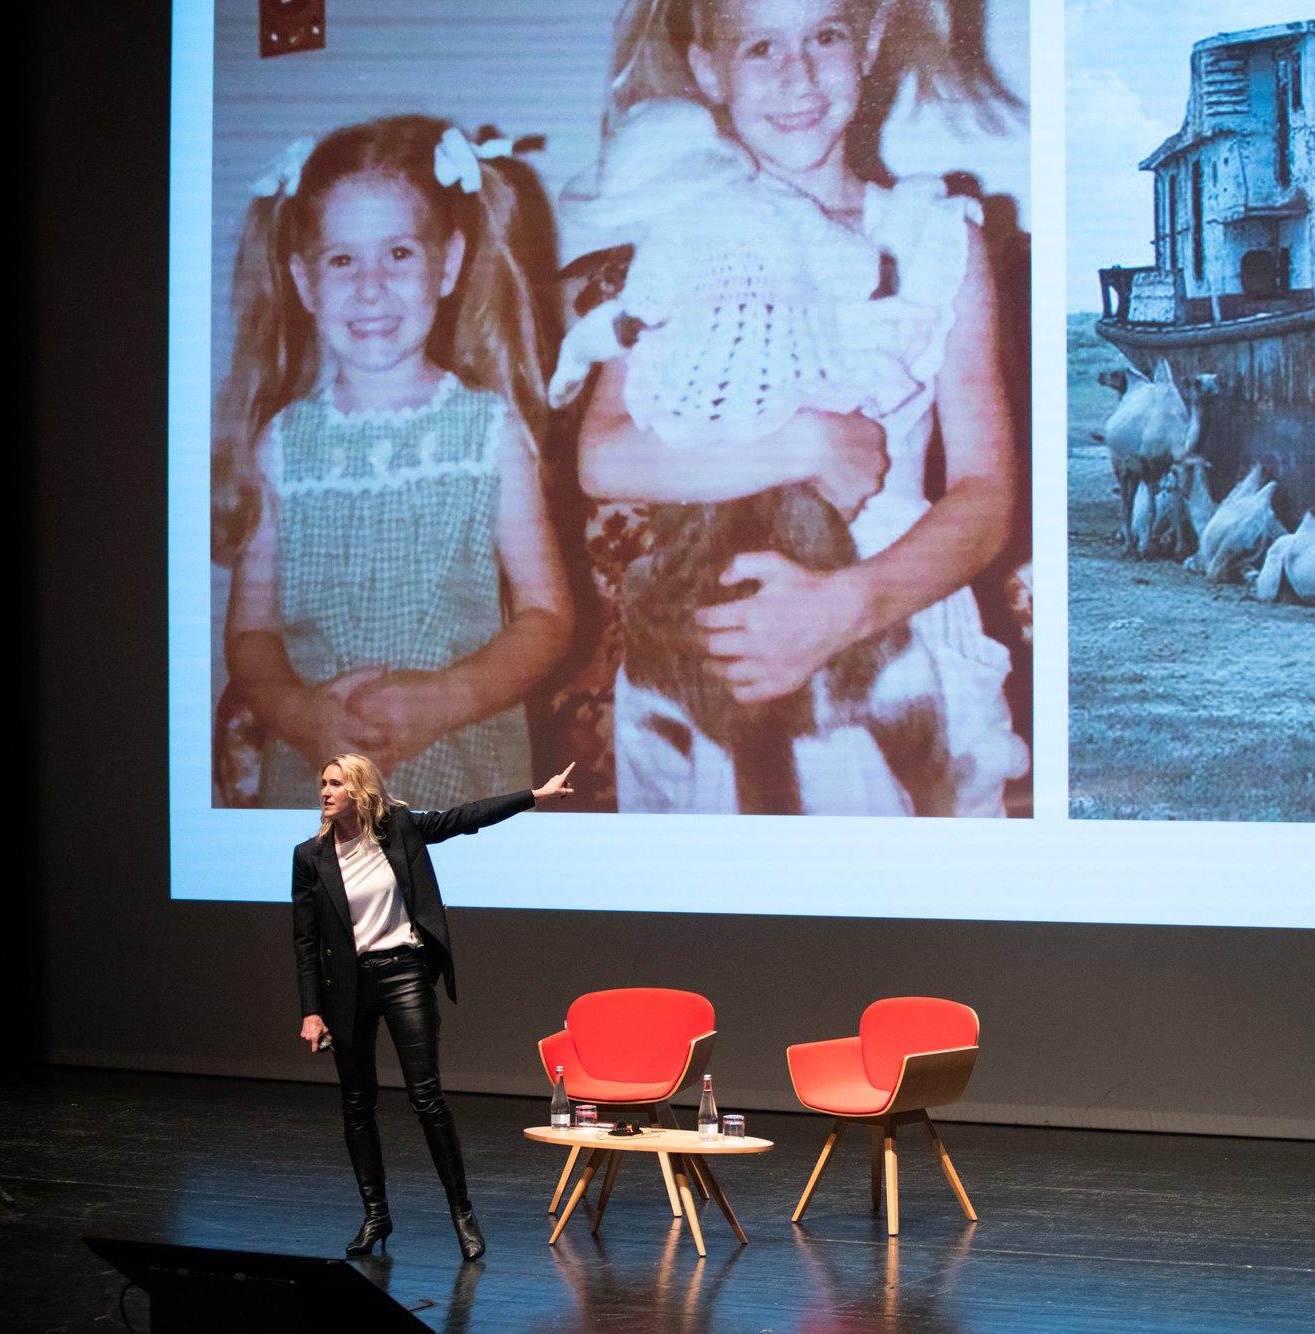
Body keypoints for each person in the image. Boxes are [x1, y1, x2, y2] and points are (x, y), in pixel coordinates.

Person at [575, 0, 1030, 816]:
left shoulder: (935, 239)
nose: (797, 74)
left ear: (870, 43)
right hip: (719, 642)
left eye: (824, 36)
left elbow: (987, 496)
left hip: (895, 614)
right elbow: (602, 455)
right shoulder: (684, 238)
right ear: (709, 69)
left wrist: (845, 607)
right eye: (760, 46)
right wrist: (803, 447)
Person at [215, 116, 573, 810]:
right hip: (322, 784)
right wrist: (299, 714)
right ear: (304, 280)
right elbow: (251, 634)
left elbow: (548, 616)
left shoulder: (489, 433)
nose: (371, 286)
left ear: (448, 264)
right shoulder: (281, 448)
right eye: (342, 259)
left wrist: (446, 697)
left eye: (400, 254)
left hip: (464, 769)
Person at [292, 753, 577, 1261]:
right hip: (347, 987)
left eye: (336, 783)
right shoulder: (309, 857)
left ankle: (462, 1213)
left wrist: (535, 795)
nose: (326, 791)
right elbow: (306, 942)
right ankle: (376, 1215)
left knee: (427, 1098)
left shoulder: (398, 829)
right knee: (357, 1105)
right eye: (323, 784)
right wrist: (311, 1011)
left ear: (359, 790)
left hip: (403, 972)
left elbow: (464, 818)